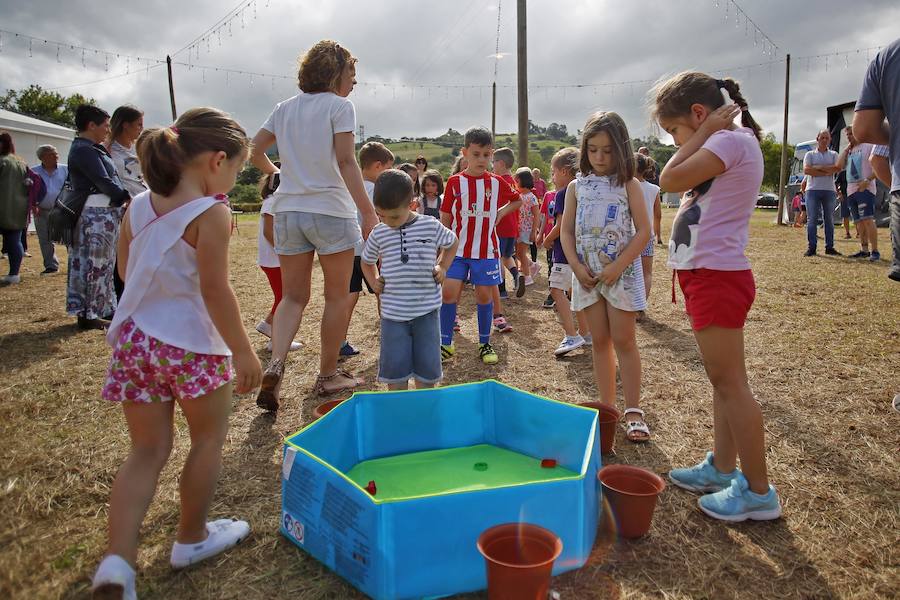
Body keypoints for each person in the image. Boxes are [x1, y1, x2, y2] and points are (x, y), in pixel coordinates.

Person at [91, 107, 262, 600]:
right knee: (206, 442)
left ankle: (117, 564)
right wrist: (244, 352)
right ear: (216, 160)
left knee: (145, 451)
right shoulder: (212, 212)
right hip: (195, 348)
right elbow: (216, 291)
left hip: (137, 343)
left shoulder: (138, 206)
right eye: (235, 170)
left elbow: (126, 271)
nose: (232, 180)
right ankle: (191, 538)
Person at [654, 72, 781, 521]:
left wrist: (703, 135)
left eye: (675, 131)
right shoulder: (731, 141)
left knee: (732, 385)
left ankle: (759, 492)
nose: (674, 141)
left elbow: (668, 179)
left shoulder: (727, 141)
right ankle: (724, 469)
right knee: (723, 382)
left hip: (716, 276)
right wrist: (701, 135)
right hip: (709, 275)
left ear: (700, 114)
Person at [249, 40, 377, 409]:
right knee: (336, 297)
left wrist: (276, 173)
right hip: (330, 210)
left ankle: (276, 364)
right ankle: (327, 375)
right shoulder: (340, 107)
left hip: (289, 210)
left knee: (292, 297)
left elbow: (253, 150)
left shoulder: (283, 109)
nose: (354, 83)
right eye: (352, 75)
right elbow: (347, 162)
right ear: (337, 74)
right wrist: (368, 213)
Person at [560, 112, 650, 443]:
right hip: (587, 278)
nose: (599, 157)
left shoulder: (630, 185)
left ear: (621, 150)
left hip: (620, 277)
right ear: (584, 149)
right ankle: (607, 408)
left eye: (608, 150)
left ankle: (634, 410)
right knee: (599, 341)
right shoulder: (575, 187)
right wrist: (576, 267)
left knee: (624, 340)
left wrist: (617, 266)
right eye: (593, 149)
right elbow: (567, 233)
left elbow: (644, 232)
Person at [361, 169, 458, 389]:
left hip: (426, 311)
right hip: (393, 315)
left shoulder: (430, 225)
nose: (388, 222)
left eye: (394, 216)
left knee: (427, 370)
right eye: (381, 215)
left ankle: (425, 407)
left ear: (412, 204)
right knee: (395, 372)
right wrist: (374, 280)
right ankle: (400, 407)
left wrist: (442, 266)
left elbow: (451, 242)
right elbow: (366, 261)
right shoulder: (379, 232)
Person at [439, 127, 521, 365]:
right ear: (465, 153)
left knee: (484, 296)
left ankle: (485, 343)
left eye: (486, 155)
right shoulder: (454, 182)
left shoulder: (496, 183)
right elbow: (445, 218)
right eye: (476, 154)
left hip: (486, 251)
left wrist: (501, 212)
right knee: (448, 293)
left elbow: (517, 200)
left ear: (492, 155)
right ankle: (446, 344)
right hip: (457, 251)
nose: (482, 160)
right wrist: (442, 249)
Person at [66, 105, 131, 329]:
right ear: (91, 125)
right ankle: (89, 313)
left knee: (103, 264)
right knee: (93, 263)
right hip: (94, 214)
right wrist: (125, 196)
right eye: (104, 124)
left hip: (103, 213)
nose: (108, 129)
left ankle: (100, 308)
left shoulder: (92, 149)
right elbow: (103, 180)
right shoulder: (84, 150)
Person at [853, 37, 899, 282]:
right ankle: (864, 249)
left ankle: (872, 250)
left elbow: (865, 131)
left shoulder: (887, 56)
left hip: (884, 188)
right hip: (858, 188)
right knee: (861, 219)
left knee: (867, 219)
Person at [342, 141, 394, 356]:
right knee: (384, 293)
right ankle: (391, 336)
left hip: (348, 249)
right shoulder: (377, 190)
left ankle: (339, 340)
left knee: (349, 296)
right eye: (389, 168)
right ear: (378, 166)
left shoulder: (348, 186)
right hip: (373, 252)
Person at [544, 147, 591, 355]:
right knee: (575, 293)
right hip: (579, 252)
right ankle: (585, 332)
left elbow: (562, 224)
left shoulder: (564, 193)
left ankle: (571, 335)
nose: (552, 178)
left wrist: (547, 239)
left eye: (553, 173)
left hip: (564, 252)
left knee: (556, 290)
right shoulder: (583, 189)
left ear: (564, 171)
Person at [256, 170, 302, 353]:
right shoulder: (273, 202)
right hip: (274, 260)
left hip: (274, 259)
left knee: (283, 296)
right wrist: (284, 253)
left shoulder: (274, 201)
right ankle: (275, 337)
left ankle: (269, 327)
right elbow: (269, 232)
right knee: (285, 298)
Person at [839, 126, 880, 260]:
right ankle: (864, 250)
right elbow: (838, 165)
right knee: (858, 222)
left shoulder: (869, 146)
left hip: (865, 189)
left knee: (867, 219)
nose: (849, 137)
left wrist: (867, 180)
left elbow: (879, 167)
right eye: (848, 135)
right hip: (851, 191)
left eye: (852, 134)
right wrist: (845, 150)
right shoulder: (849, 151)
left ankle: (875, 251)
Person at [802, 129, 842, 257]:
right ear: (817, 139)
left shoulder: (834, 154)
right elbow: (807, 170)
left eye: (827, 138)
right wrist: (826, 171)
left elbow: (837, 168)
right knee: (812, 219)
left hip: (829, 190)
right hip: (812, 189)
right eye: (822, 137)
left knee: (829, 219)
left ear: (830, 140)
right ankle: (812, 247)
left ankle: (829, 247)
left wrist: (818, 168)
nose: (824, 140)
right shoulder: (809, 155)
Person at [490, 147, 517, 330]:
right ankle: (517, 276)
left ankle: (501, 290)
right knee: (507, 256)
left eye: (493, 163)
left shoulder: (499, 182)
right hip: (513, 227)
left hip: (501, 225)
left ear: (500, 163)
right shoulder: (513, 181)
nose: (492, 166)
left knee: (499, 258)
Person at [31, 145, 66, 275]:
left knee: (68, 237)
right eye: (52, 154)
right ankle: (51, 265)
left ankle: (74, 264)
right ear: (43, 157)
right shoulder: (33, 172)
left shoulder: (66, 170)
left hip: (62, 210)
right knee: (44, 239)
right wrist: (33, 205)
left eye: (56, 153)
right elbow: (28, 191)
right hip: (41, 210)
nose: (56, 156)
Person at [0, 132, 29, 285]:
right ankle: (14, 274)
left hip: (3, 206)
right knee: (14, 241)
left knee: (13, 241)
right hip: (18, 208)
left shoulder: (2, 161)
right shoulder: (20, 162)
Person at [635, 152, 661, 301]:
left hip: (630, 235)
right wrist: (657, 234)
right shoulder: (654, 189)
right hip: (647, 236)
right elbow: (657, 214)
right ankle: (641, 305)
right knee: (646, 273)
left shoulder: (626, 186)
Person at [107, 105, 149, 198]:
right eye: (139, 124)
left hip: (143, 199)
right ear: (126, 125)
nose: (142, 128)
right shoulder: (107, 148)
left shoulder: (140, 147)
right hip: (123, 204)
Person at [513, 167, 540, 295]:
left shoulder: (531, 197)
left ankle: (528, 277)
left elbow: (537, 215)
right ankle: (532, 265)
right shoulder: (519, 196)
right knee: (518, 253)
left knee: (521, 253)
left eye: (516, 180)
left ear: (521, 181)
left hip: (526, 230)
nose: (514, 183)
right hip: (518, 229)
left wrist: (533, 232)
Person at [537, 187, 557, 308]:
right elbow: (544, 216)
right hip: (550, 238)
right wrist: (540, 234)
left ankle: (567, 294)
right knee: (551, 265)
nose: (553, 176)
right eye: (552, 173)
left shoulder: (572, 191)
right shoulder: (549, 195)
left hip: (565, 237)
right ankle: (552, 294)